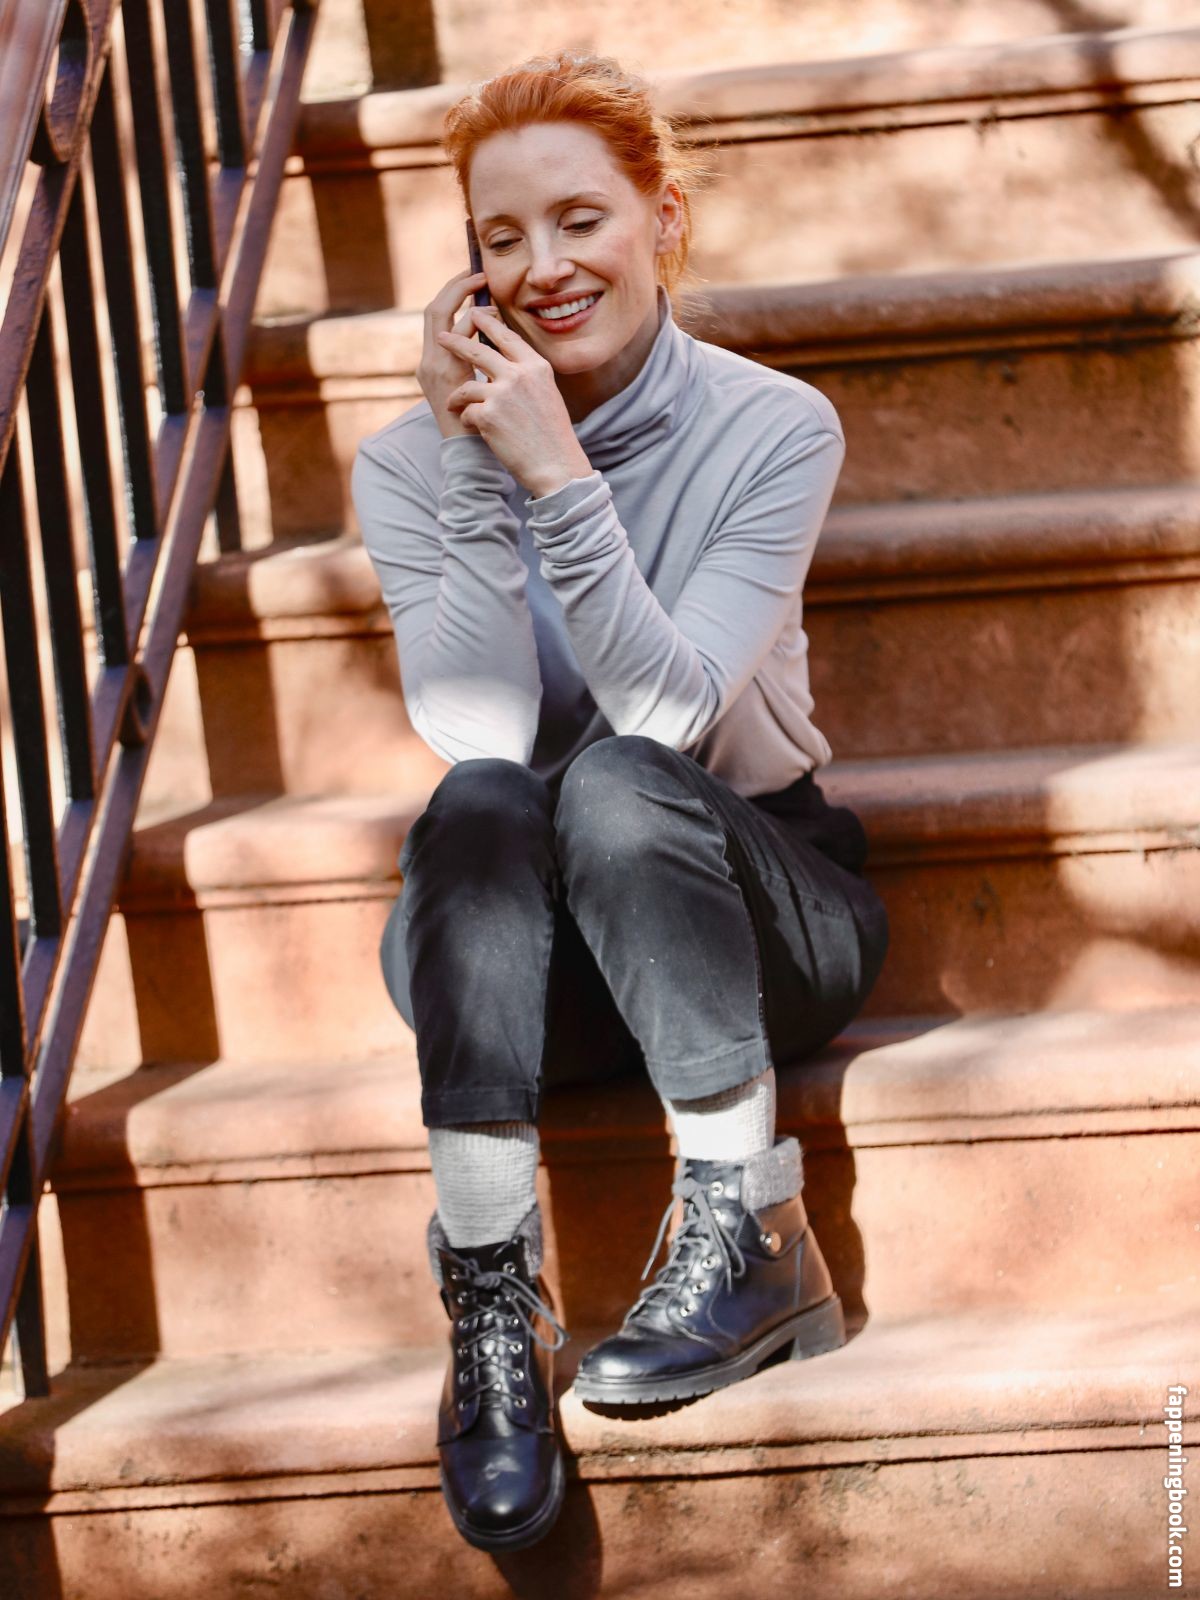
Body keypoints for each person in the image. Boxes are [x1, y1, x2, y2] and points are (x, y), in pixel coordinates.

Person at [351, 48, 890, 1555]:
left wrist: (560, 476)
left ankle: (749, 1229)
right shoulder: (405, 467)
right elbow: (473, 727)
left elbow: (666, 718)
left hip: (751, 917)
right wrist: (475, 468)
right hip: (531, 960)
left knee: (617, 781)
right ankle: (493, 1304)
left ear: (664, 217)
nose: (544, 267)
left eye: (580, 219)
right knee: (480, 802)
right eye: (502, 237)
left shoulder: (773, 428)